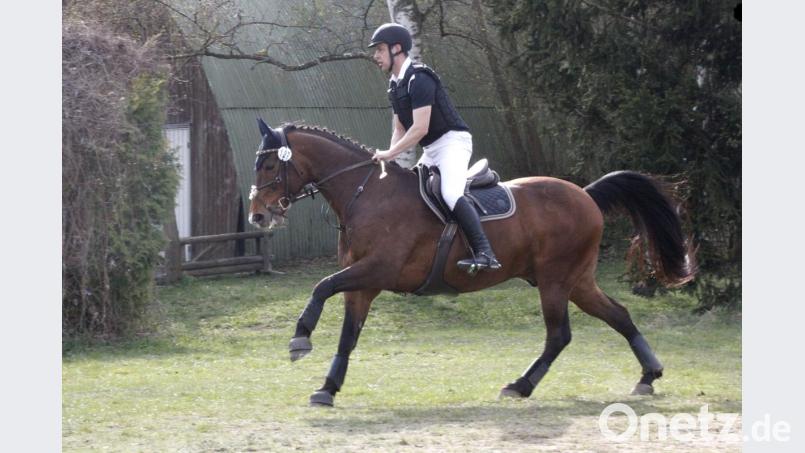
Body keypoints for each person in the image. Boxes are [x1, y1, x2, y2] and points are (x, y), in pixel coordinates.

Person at [368, 23, 501, 272]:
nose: (375, 56)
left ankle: (486, 253)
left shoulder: (420, 78)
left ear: (397, 49)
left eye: (380, 49)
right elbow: (399, 129)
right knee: (412, 192)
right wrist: (390, 159)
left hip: (453, 142)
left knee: (451, 193)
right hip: (431, 149)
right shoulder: (395, 86)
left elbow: (419, 129)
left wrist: (389, 153)